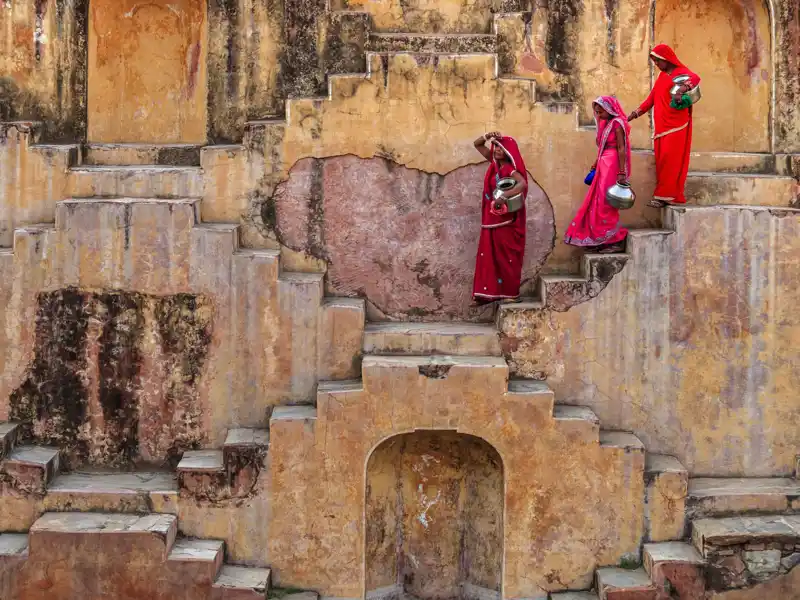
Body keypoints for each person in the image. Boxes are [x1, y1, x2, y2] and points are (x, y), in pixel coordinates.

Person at [628, 44, 701, 207]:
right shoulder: (662, 77)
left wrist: (683, 88)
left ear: (666, 59)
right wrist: (633, 115)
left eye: (658, 61)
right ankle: (668, 195)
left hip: (676, 125)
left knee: (670, 160)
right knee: (662, 162)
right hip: (661, 127)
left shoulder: (680, 73)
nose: (657, 65)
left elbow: (695, 78)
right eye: (654, 62)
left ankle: (663, 196)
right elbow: (651, 100)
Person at [564, 96, 631, 253]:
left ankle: (614, 240)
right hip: (604, 163)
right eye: (596, 112)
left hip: (613, 164)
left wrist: (622, 172)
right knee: (598, 201)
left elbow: (621, 148)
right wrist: (596, 161)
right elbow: (603, 146)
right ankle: (600, 239)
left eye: (601, 112)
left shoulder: (617, 123)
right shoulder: (606, 124)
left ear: (609, 110)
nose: (598, 115)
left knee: (606, 202)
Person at [471, 132, 528, 304]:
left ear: (509, 152)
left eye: (501, 148)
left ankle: (511, 293)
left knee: (505, 258)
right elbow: (477, 144)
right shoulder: (495, 165)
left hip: (505, 220)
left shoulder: (509, 169)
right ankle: (489, 294)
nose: (496, 150)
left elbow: (522, 184)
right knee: (489, 258)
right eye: (495, 147)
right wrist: (487, 136)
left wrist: (503, 196)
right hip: (491, 219)